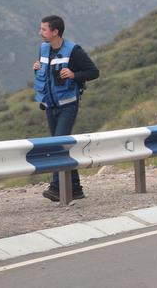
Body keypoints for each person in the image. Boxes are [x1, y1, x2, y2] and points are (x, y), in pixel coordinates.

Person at [33, 15, 99, 201]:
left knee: (57, 146)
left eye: (44, 29)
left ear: (55, 32)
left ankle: (56, 187)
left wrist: (73, 74)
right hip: (49, 106)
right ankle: (75, 188)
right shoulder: (44, 49)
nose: (40, 32)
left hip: (68, 106)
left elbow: (93, 72)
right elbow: (46, 75)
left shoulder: (73, 51)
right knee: (61, 147)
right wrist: (36, 67)